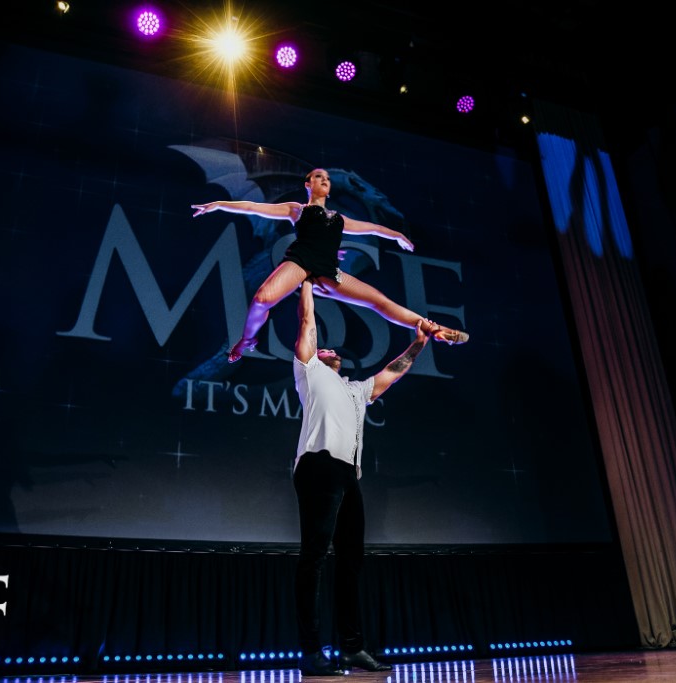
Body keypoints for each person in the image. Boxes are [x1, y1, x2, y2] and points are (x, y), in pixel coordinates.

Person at [291, 277, 430, 676]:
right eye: (324, 348)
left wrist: (419, 342)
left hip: (348, 474)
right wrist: (306, 280)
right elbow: (307, 322)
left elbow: (392, 372)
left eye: (334, 350)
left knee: (350, 561)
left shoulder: (356, 390)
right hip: (318, 466)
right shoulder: (310, 371)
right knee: (315, 558)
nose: (330, 350)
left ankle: (352, 648)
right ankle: (311, 652)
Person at [190, 168, 469, 362]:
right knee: (262, 299)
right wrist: (219, 204)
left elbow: (372, 228)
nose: (324, 179)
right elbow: (253, 207)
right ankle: (248, 340)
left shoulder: (339, 219)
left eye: (326, 178)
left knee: (379, 301)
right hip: (300, 261)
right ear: (308, 185)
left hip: (328, 270)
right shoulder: (297, 209)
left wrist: (396, 235)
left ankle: (431, 327)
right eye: (317, 177)